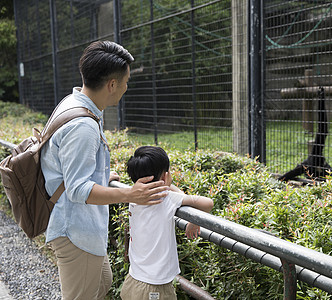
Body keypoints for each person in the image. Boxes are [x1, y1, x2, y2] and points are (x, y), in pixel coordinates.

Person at [40, 41, 168, 300]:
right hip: (75, 230)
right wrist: (130, 194)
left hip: (78, 227)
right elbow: (77, 189)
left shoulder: (73, 102)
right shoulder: (83, 126)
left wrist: (100, 177)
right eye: (125, 81)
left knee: (103, 283)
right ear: (112, 85)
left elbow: (67, 167)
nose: (126, 87)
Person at [121, 146, 214, 300]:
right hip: (154, 288)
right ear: (165, 177)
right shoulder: (166, 199)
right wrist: (193, 220)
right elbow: (207, 203)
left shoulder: (133, 196)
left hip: (133, 281)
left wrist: (163, 181)